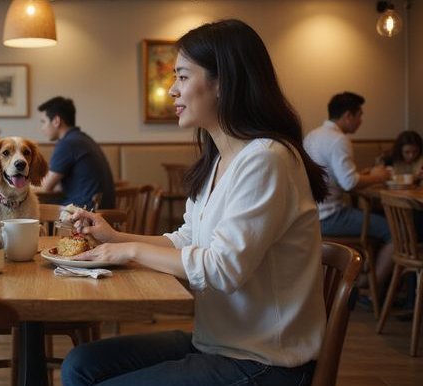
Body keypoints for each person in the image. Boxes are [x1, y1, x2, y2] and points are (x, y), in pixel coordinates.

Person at [61, 19, 327, 385]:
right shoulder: (220, 158)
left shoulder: (268, 159)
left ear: (224, 83)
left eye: (183, 77)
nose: (171, 90)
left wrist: (128, 253)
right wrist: (114, 238)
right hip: (218, 344)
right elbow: (189, 239)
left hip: (264, 362)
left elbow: (222, 269)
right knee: (80, 364)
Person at [303, 92, 394, 298]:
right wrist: (378, 176)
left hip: (312, 213)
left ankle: (366, 280)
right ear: (347, 116)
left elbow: (338, 176)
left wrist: (364, 174)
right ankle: (369, 289)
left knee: (377, 227)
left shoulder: (313, 135)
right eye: (359, 115)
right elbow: (349, 182)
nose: (361, 120)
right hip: (330, 216)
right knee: (393, 232)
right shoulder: (338, 140)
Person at [37, 96, 115, 210]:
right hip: (104, 213)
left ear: (56, 121)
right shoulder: (83, 139)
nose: (42, 128)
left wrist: (19, 186)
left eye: (43, 122)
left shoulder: (67, 144)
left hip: (85, 216)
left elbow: (45, 187)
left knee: (40, 211)